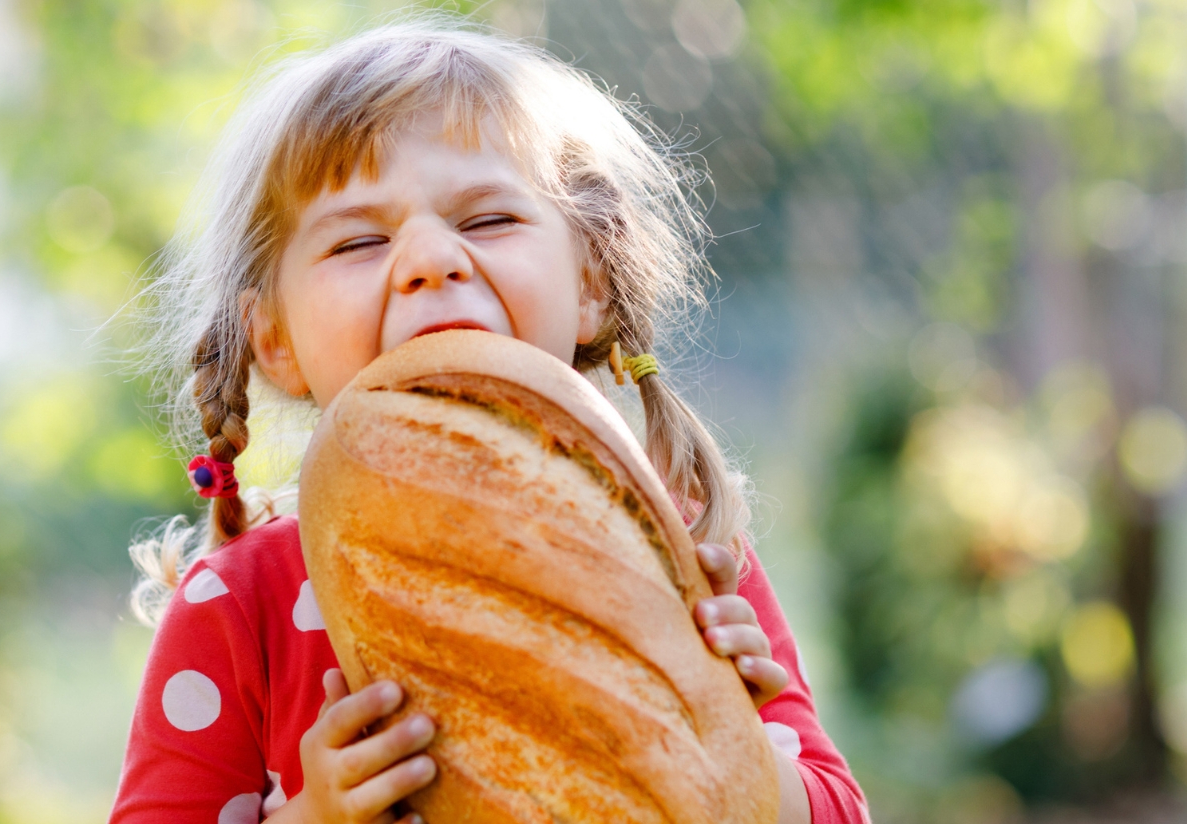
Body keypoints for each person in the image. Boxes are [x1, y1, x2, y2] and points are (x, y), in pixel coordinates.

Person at [111, 19, 867, 824]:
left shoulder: (680, 555)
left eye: (488, 221)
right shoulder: (241, 603)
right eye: (361, 241)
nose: (431, 259)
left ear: (590, 282)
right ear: (274, 339)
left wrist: (731, 745)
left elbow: (836, 810)